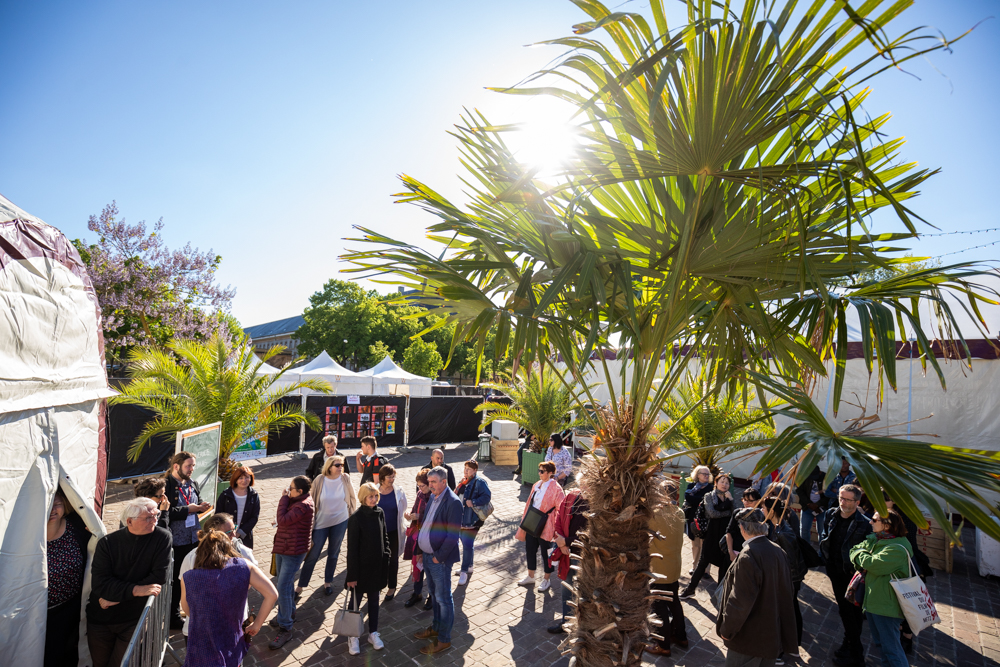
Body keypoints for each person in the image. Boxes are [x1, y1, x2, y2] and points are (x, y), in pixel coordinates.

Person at [87, 497, 172, 667]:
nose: (155, 520)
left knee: (122, 664)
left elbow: (157, 578)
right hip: (101, 619)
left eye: (156, 514)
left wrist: (116, 597)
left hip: (133, 618)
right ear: (129, 521)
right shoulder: (107, 543)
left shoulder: (162, 537)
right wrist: (136, 590)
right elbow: (100, 584)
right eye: (148, 517)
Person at [181, 526, 278, 667]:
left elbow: (187, 609)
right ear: (228, 547)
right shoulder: (244, 566)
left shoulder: (189, 577)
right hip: (232, 638)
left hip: (201, 643)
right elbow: (272, 594)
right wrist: (257, 624)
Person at [716, 508, 798, 667]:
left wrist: (727, 630)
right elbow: (788, 593)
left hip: (748, 639)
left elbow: (739, 601)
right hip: (770, 637)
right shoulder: (778, 550)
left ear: (742, 528)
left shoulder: (748, 555)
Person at [849, 510, 913, 667]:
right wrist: (860, 554)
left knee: (892, 649)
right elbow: (854, 549)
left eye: (874, 520)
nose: (870, 522)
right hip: (874, 601)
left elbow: (872, 565)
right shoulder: (877, 539)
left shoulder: (897, 548)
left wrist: (860, 554)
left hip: (886, 606)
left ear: (887, 525)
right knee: (882, 646)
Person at [179, 513, 259, 638]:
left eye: (234, 528)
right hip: (201, 627)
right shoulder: (191, 557)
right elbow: (187, 594)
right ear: (213, 535)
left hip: (232, 623)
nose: (234, 534)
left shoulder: (244, 552)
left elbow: (251, 582)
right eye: (228, 532)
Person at [818, 483, 872, 666]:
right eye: (841, 498)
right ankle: (849, 642)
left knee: (852, 611)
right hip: (834, 570)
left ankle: (856, 652)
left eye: (848, 500)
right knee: (846, 610)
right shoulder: (830, 515)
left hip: (852, 574)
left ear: (857, 502)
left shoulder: (864, 524)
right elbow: (824, 536)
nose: (843, 502)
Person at [413, 466, 463, 655]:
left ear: (444, 481)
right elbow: (425, 524)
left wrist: (438, 557)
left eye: (433, 482)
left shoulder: (453, 502)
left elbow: (452, 536)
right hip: (427, 556)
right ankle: (436, 627)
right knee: (434, 595)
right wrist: (420, 549)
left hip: (438, 560)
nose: (429, 485)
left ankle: (444, 639)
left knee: (443, 599)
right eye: (429, 482)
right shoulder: (433, 496)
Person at [296, 455, 357, 597]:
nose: (340, 467)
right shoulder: (319, 480)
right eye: (337, 465)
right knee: (313, 555)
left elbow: (352, 497)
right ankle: (300, 586)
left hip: (341, 521)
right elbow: (311, 500)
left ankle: (328, 582)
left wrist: (352, 517)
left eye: (341, 464)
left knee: (334, 553)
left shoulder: (345, 478)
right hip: (321, 523)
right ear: (329, 466)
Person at [164, 451, 212, 629]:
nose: (192, 469)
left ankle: (189, 608)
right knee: (177, 580)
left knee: (192, 575)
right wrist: (189, 509)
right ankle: (173, 616)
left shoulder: (193, 483)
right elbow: (165, 513)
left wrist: (201, 507)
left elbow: (196, 502)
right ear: (176, 466)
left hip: (194, 539)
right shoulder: (167, 486)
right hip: (177, 542)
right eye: (188, 466)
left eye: (193, 465)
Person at [344, 482, 391, 655]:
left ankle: (373, 632)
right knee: (354, 604)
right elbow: (352, 549)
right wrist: (352, 574)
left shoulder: (380, 513)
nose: (374, 499)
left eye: (376, 496)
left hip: (376, 567)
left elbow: (384, 534)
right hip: (360, 569)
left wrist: (387, 552)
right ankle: (352, 636)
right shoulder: (356, 518)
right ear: (363, 497)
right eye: (370, 496)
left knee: (374, 601)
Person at [268, 475, 314, 650]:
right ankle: (286, 613)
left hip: (292, 551)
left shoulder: (303, 505)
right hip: (284, 546)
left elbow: (283, 519)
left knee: (283, 587)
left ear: (299, 492)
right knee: (284, 585)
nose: (288, 490)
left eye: (291, 488)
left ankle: (286, 627)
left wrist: (283, 499)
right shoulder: (298, 500)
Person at [45, 488, 89, 667]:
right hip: (39, 614)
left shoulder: (77, 526)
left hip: (71, 608)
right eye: (47, 505)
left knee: (68, 655)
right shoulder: (26, 535)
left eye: (56, 504)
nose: (52, 510)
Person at [645, 478, 689, 656]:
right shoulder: (679, 512)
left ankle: (663, 645)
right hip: (673, 566)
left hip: (658, 567)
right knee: (674, 602)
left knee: (659, 606)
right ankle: (681, 636)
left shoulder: (655, 514)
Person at [764, 496, 806, 661]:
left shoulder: (784, 533)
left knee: (784, 612)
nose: (762, 511)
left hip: (789, 579)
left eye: (763, 508)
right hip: (785, 578)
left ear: (771, 511)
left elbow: (790, 561)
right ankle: (792, 644)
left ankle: (781, 651)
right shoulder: (776, 527)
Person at [547, 471, 589, 635]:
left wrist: (567, 542)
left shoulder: (596, 504)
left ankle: (582, 626)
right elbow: (558, 519)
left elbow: (592, 533)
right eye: (583, 482)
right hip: (567, 551)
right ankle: (566, 622)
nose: (585, 486)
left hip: (583, 555)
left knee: (583, 592)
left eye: (589, 484)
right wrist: (560, 540)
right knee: (566, 588)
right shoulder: (572, 496)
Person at [516, 460, 566, 592]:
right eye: (539, 470)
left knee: (546, 553)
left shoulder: (556, 488)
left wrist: (557, 528)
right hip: (533, 521)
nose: (539, 473)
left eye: (542, 471)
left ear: (550, 473)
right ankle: (530, 576)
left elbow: (561, 509)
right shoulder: (537, 485)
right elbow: (529, 503)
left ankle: (546, 579)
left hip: (547, 524)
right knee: (530, 549)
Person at [681, 473, 734, 597]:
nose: (724, 485)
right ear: (715, 483)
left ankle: (720, 593)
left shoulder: (728, 497)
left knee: (723, 563)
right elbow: (712, 513)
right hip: (711, 533)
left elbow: (733, 512)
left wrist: (730, 500)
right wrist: (727, 511)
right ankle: (690, 589)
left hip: (724, 534)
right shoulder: (709, 495)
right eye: (722, 481)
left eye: (727, 483)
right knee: (703, 561)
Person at [456, 459, 492, 585]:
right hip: (462, 518)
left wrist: (474, 502)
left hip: (472, 520)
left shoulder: (479, 482)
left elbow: (487, 497)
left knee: (467, 544)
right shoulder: (463, 481)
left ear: (475, 470)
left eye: (469, 469)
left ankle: (464, 571)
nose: (466, 471)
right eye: (465, 468)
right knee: (466, 543)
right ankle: (469, 565)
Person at [376, 463, 407, 601]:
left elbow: (403, 507)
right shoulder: (374, 490)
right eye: (389, 477)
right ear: (382, 477)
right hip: (378, 533)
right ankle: (378, 584)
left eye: (393, 476)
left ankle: (392, 586)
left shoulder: (398, 491)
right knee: (379, 560)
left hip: (394, 532)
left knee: (393, 560)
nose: (392, 479)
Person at [403, 468, 433, 609]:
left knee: (430, 568)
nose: (420, 489)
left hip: (431, 538)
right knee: (417, 565)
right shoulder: (420, 494)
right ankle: (417, 593)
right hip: (418, 536)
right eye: (418, 486)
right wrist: (409, 513)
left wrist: (419, 517)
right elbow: (415, 509)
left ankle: (432, 596)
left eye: (423, 485)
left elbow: (435, 519)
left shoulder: (435, 497)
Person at [216, 466, 261, 548]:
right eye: (240, 478)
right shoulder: (225, 494)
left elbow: (254, 517)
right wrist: (228, 533)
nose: (244, 480)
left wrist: (240, 532)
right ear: (235, 479)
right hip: (226, 536)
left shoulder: (254, 495)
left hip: (245, 536)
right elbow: (218, 515)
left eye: (247, 477)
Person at [683, 465, 713, 570]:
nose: (706, 476)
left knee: (705, 545)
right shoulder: (691, 486)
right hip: (693, 519)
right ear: (697, 475)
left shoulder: (711, 488)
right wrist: (700, 499)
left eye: (707, 474)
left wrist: (695, 499)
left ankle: (705, 570)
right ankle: (694, 566)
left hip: (706, 519)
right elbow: (687, 497)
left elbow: (705, 501)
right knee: (695, 544)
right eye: (703, 474)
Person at [821, 457, 858, 535]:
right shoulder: (832, 476)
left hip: (848, 509)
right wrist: (843, 495)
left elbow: (855, 494)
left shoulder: (854, 477)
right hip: (833, 506)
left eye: (845, 463)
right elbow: (826, 492)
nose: (843, 466)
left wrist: (836, 491)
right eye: (840, 464)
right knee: (829, 531)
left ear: (849, 463)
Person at [725, 487, 762, 561]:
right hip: (734, 553)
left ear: (758, 501)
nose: (746, 503)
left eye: (750, 501)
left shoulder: (761, 516)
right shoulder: (738, 513)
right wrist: (731, 552)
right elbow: (728, 532)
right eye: (744, 500)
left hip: (752, 556)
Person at [795, 464, 826, 541]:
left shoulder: (825, 478)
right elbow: (799, 490)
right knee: (804, 530)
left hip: (822, 508)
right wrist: (809, 503)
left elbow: (828, 495)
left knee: (822, 531)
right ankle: (806, 550)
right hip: (807, 507)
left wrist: (817, 505)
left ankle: (822, 551)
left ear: (819, 473)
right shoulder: (803, 477)